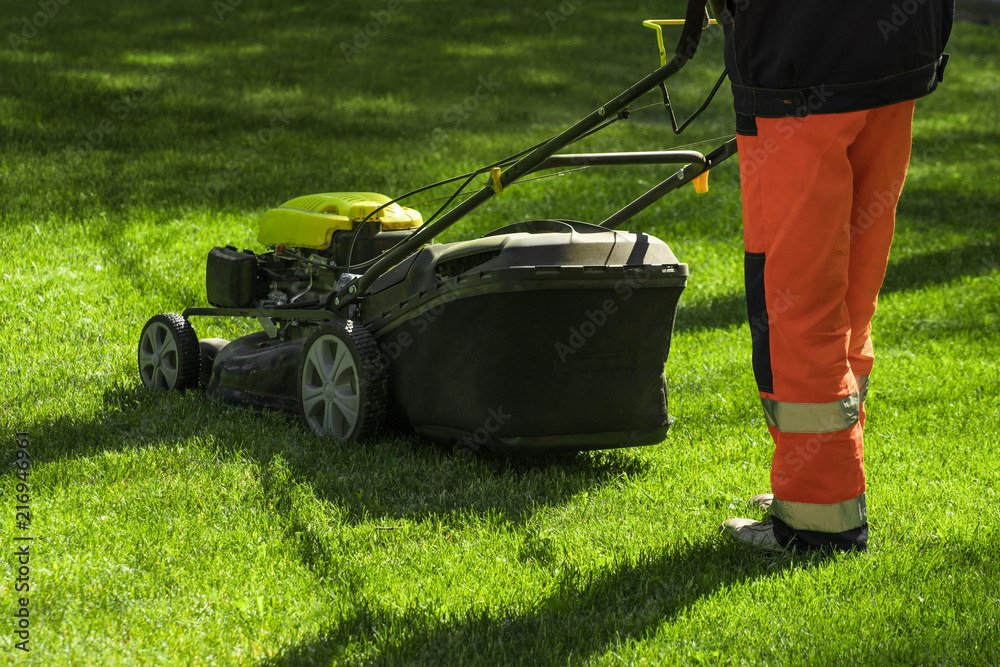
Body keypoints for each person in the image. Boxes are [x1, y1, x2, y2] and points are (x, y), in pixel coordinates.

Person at [715, 0, 955, 552]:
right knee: (850, 293)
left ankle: (817, 521)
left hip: (800, 65)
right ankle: (822, 486)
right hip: (892, 57)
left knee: (798, 310)